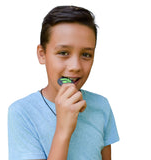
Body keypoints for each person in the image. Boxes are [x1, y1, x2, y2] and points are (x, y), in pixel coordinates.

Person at [8, 5, 119, 160]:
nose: (75, 67)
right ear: (42, 54)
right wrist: (63, 130)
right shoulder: (22, 112)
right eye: (63, 53)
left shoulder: (101, 106)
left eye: (86, 54)